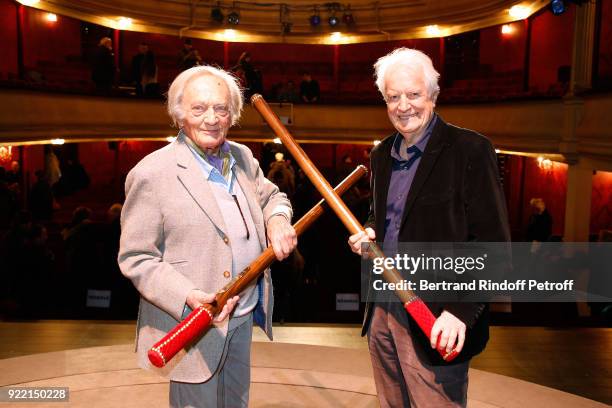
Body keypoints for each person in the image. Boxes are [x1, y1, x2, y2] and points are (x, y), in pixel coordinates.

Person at [118, 65, 297, 408]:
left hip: (243, 314)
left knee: (235, 403)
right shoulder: (151, 173)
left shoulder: (242, 156)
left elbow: (273, 197)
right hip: (191, 324)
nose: (211, 119)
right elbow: (136, 258)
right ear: (179, 113)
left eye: (221, 108)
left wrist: (276, 220)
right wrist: (188, 295)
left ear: (233, 114)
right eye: (199, 109)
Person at [348, 48, 510, 407]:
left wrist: (461, 312)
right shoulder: (381, 155)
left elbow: (494, 246)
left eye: (413, 94)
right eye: (393, 97)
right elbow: (386, 217)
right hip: (382, 309)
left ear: (433, 96)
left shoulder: (470, 150)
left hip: (437, 315)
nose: (404, 106)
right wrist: (370, 232)